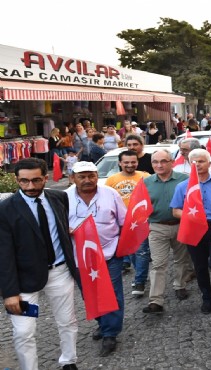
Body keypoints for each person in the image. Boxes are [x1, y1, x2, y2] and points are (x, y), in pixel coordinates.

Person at [0, 158, 80, 370]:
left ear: (46, 178)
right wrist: (10, 292)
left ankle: (69, 361)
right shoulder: (5, 209)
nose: (30, 187)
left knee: (67, 321)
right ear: (16, 180)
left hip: (60, 272)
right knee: (23, 332)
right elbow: (3, 254)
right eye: (24, 181)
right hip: (24, 281)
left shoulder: (59, 197)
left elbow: (62, 229)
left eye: (36, 180)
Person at [66, 161, 126, 357]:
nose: (87, 180)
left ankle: (110, 333)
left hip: (110, 253)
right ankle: (103, 323)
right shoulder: (63, 197)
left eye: (91, 175)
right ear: (72, 178)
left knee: (113, 293)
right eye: (82, 176)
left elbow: (123, 221)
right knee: (90, 294)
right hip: (80, 258)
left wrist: (123, 249)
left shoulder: (110, 193)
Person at [170, 149, 211, 314]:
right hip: (194, 228)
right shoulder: (182, 186)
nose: (197, 164)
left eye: (201, 161)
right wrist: (191, 215)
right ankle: (207, 295)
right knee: (200, 266)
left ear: (209, 163)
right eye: (194, 162)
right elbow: (175, 210)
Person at [141, 149, 193, 314]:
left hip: (181, 225)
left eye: (163, 161)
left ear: (172, 162)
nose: (159, 165)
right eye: (155, 162)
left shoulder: (185, 179)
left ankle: (180, 285)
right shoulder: (146, 182)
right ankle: (156, 300)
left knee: (181, 259)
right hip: (157, 227)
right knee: (158, 264)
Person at [104, 150, 150, 295]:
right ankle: (140, 274)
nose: (130, 165)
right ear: (120, 163)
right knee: (130, 252)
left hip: (140, 221)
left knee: (142, 252)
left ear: (137, 162)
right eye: (126, 162)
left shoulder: (145, 177)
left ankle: (139, 281)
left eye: (133, 162)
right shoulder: (111, 180)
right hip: (121, 223)